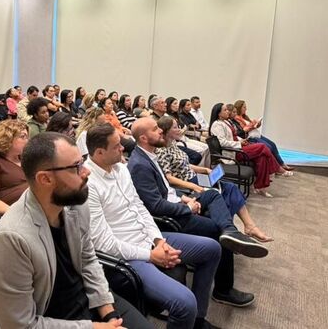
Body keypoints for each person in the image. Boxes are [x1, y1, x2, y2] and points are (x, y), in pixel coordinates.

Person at [0, 132, 152, 329]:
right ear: (45, 179)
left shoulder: (75, 203)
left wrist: (108, 311)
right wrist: (94, 327)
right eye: (76, 167)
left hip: (87, 300)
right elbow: (20, 325)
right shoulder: (12, 238)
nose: (86, 171)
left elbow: (88, 259)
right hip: (48, 318)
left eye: (82, 162)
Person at [85, 123, 222, 329]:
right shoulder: (89, 184)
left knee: (212, 248)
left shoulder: (120, 169)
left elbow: (140, 208)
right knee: (184, 303)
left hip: (150, 239)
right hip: (129, 254)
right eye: (117, 146)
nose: (123, 149)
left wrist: (158, 241)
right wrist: (150, 255)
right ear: (99, 152)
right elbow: (104, 244)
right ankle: (190, 317)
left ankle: (197, 322)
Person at [128, 117, 266, 308]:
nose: (160, 130)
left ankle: (231, 231)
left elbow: (165, 189)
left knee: (212, 195)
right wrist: (186, 207)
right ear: (143, 138)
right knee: (218, 232)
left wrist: (183, 198)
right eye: (155, 129)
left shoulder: (149, 155)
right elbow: (156, 206)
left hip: (177, 202)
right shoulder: (139, 165)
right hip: (172, 218)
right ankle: (223, 290)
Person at [156, 116, 273, 242]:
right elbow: (169, 178)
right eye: (175, 127)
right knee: (226, 191)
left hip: (195, 178)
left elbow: (185, 165)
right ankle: (235, 229)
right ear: (166, 130)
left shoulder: (172, 144)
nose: (179, 129)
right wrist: (193, 186)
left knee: (230, 187)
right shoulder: (161, 150)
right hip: (187, 183)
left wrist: (205, 170)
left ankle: (246, 226)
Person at [209, 103, 284, 197]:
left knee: (262, 157)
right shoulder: (217, 125)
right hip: (233, 153)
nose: (227, 111)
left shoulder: (226, 122)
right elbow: (222, 142)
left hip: (238, 147)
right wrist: (239, 143)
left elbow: (234, 137)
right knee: (262, 147)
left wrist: (242, 140)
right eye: (225, 110)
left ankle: (260, 187)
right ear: (219, 113)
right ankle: (277, 168)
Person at [232, 100, 293, 172]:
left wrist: (257, 124)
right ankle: (276, 168)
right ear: (239, 108)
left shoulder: (245, 117)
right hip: (251, 137)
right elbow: (244, 129)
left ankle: (281, 163)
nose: (246, 109)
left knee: (273, 144)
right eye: (244, 107)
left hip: (256, 134)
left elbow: (251, 126)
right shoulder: (237, 118)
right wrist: (253, 124)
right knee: (268, 147)